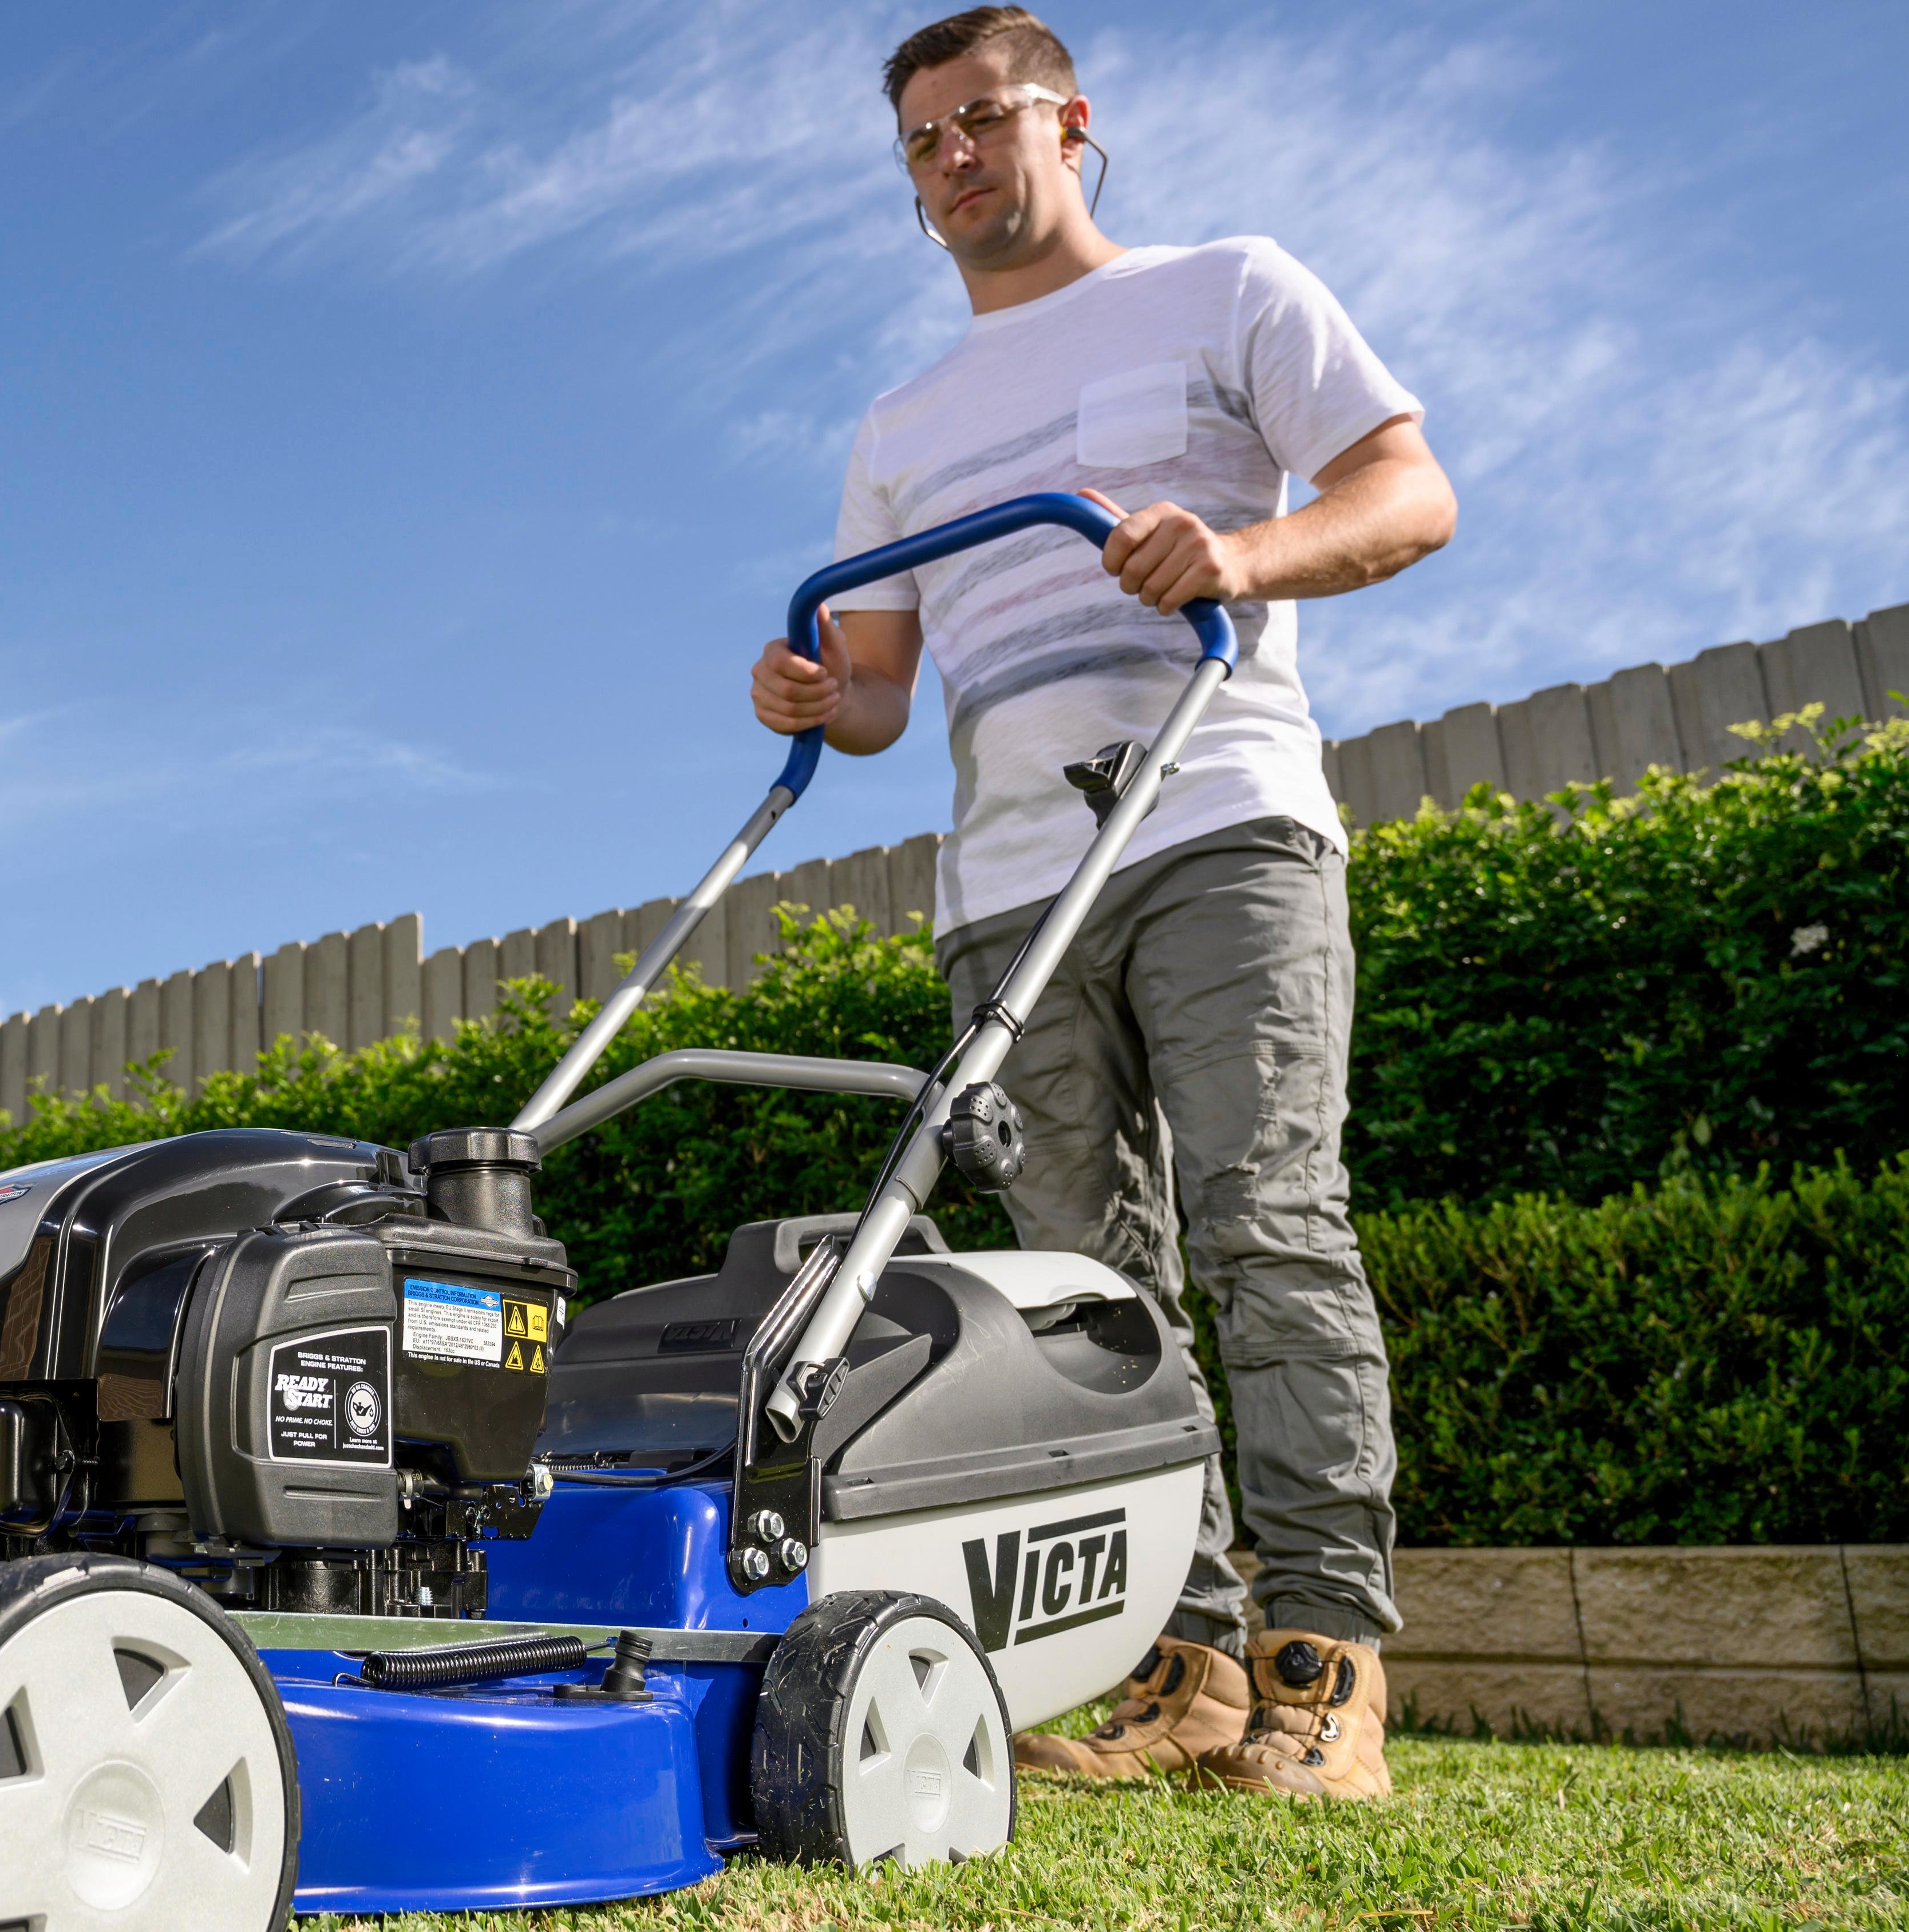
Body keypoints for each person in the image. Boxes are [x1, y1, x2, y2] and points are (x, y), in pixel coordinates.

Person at [749, 6, 1456, 1801]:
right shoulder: (901, 427)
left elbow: (1406, 493)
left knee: (1268, 1223)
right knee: (1090, 1292)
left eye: (980, 119)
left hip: (1217, 822)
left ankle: (1326, 1663)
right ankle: (1186, 1662)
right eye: (920, 143)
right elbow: (891, 690)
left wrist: (1240, 553)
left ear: (1072, 120)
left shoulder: (1228, 288)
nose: (952, 159)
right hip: (1009, 894)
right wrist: (822, 696)